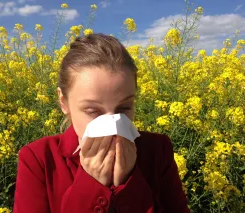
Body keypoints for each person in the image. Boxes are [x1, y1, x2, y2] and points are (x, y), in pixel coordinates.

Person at [13, 33, 190, 213]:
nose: (113, 125)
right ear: (63, 102)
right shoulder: (39, 159)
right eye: (92, 111)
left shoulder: (156, 150)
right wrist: (91, 184)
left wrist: (129, 182)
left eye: (124, 108)